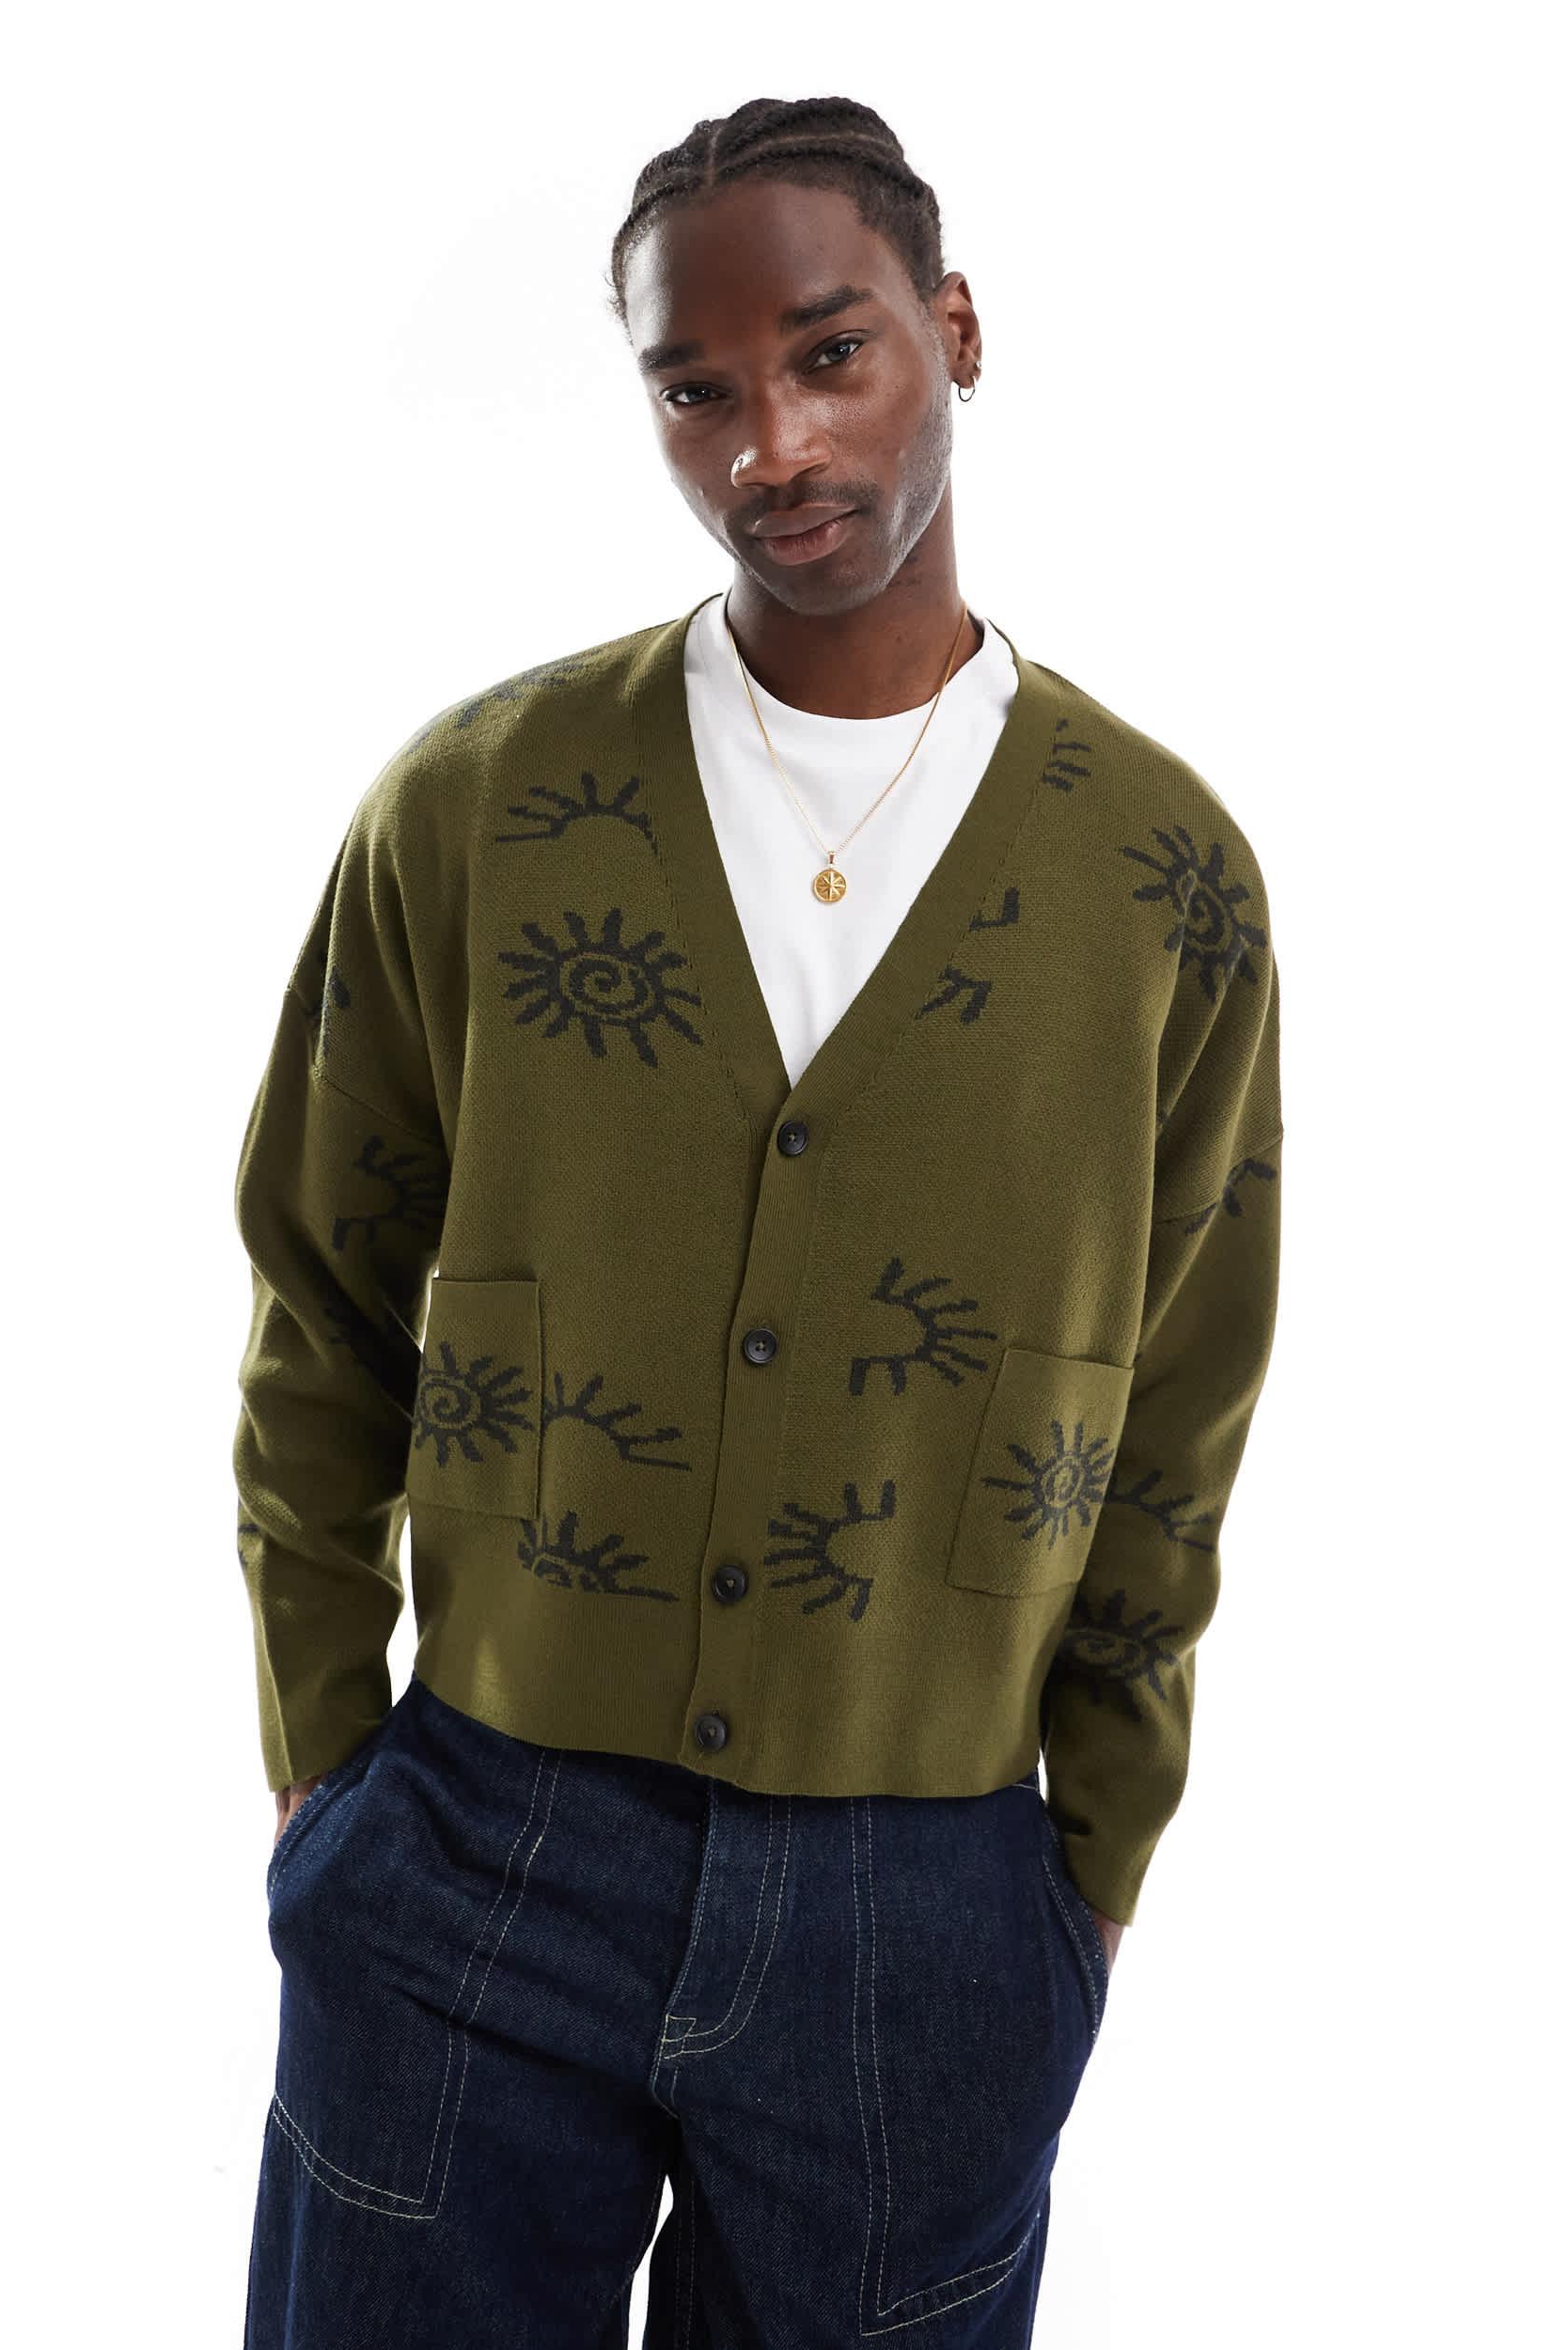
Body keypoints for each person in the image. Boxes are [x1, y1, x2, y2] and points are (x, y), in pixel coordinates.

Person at [233, 91, 1282, 2348]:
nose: (767, 445)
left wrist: (1083, 1863)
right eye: (692, 389)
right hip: (476, 1851)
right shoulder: (477, 807)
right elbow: (323, 1290)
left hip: (928, 1894)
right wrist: (326, 1756)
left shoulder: (1158, 877)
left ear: (952, 330)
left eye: (827, 354)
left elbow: (1183, 1393)